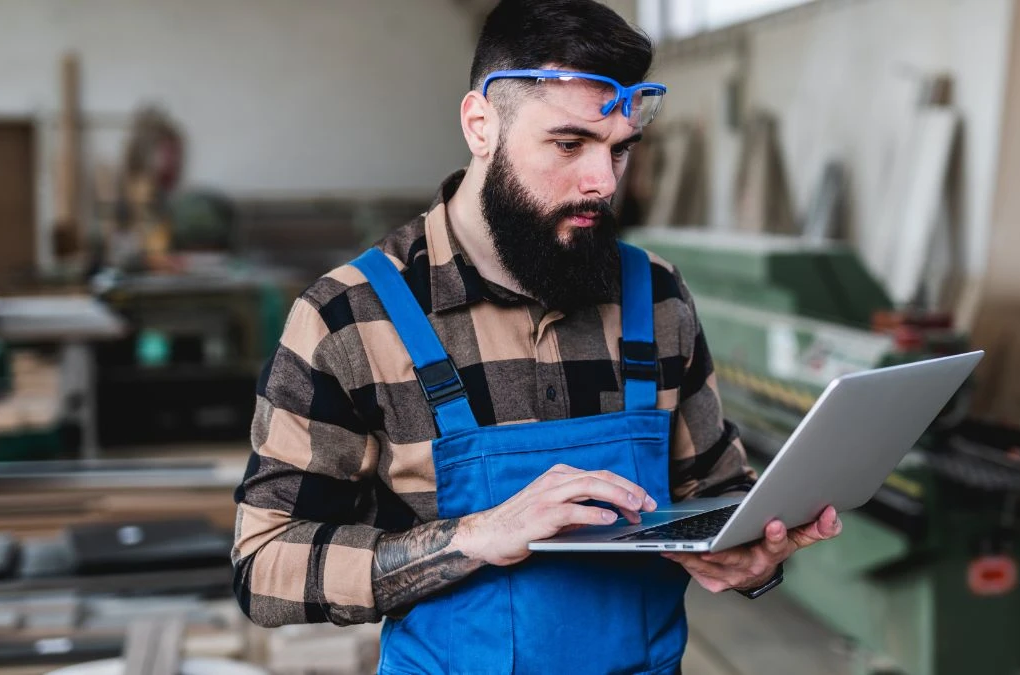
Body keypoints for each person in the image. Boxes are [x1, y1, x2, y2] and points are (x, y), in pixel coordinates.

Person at [231, 1, 842, 672]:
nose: (602, 183)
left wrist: (748, 554)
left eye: (619, 150)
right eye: (569, 144)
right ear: (481, 125)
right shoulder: (350, 318)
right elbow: (266, 563)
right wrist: (477, 535)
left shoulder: (656, 298)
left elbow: (716, 494)